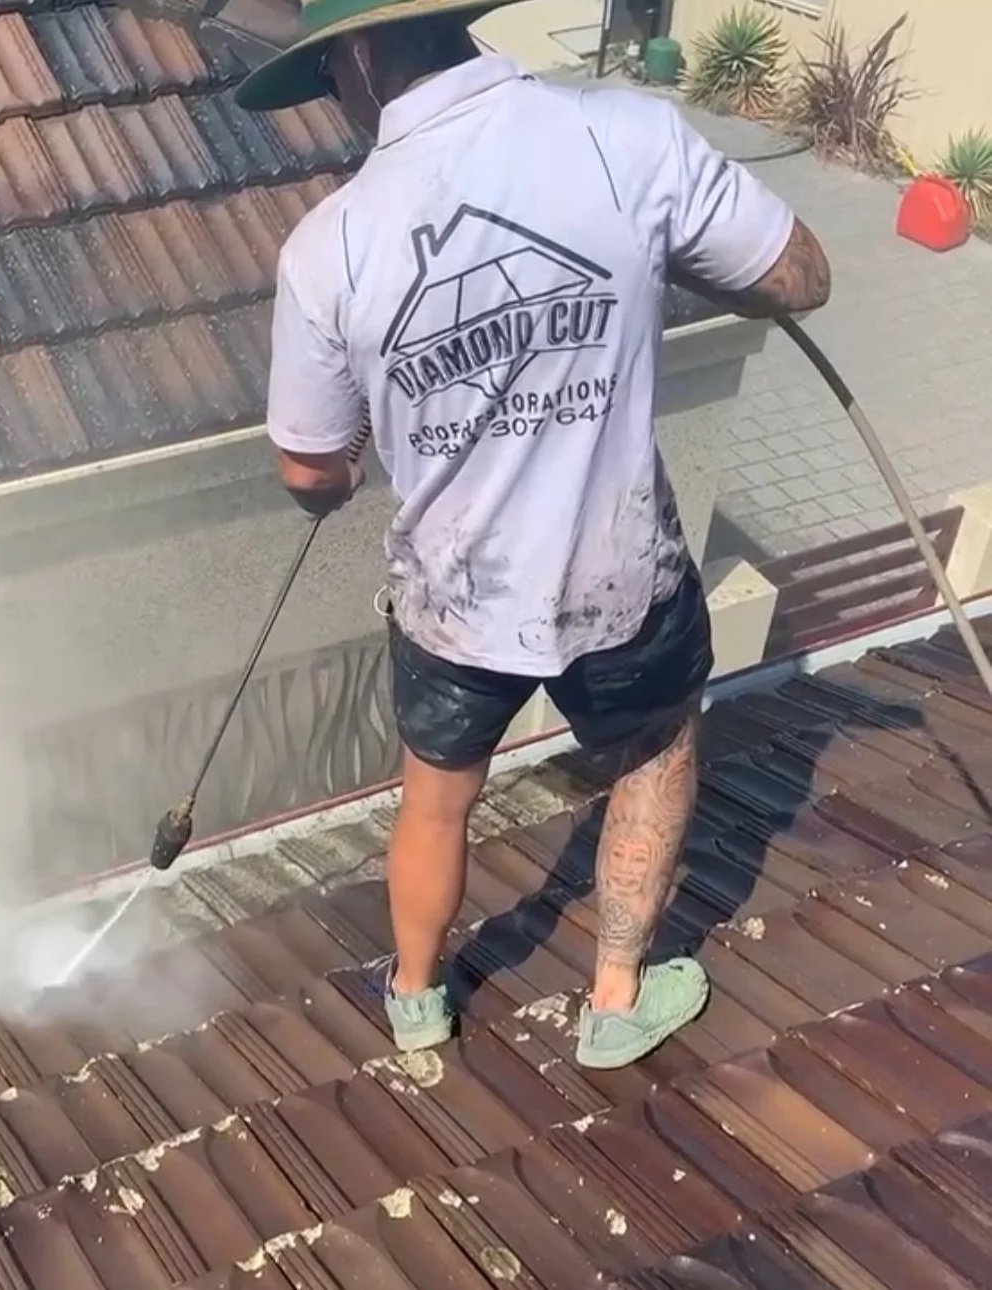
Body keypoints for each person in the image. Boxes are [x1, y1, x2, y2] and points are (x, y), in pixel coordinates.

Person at [236, 3, 830, 1068]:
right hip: (619, 579)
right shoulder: (626, 138)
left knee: (434, 797)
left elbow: (308, 467)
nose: (334, 96)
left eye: (329, 70)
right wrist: (662, 260)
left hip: (454, 597)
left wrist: (340, 467)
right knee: (649, 758)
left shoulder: (328, 248)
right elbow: (801, 277)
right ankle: (612, 1002)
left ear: (364, 52)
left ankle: (418, 997)